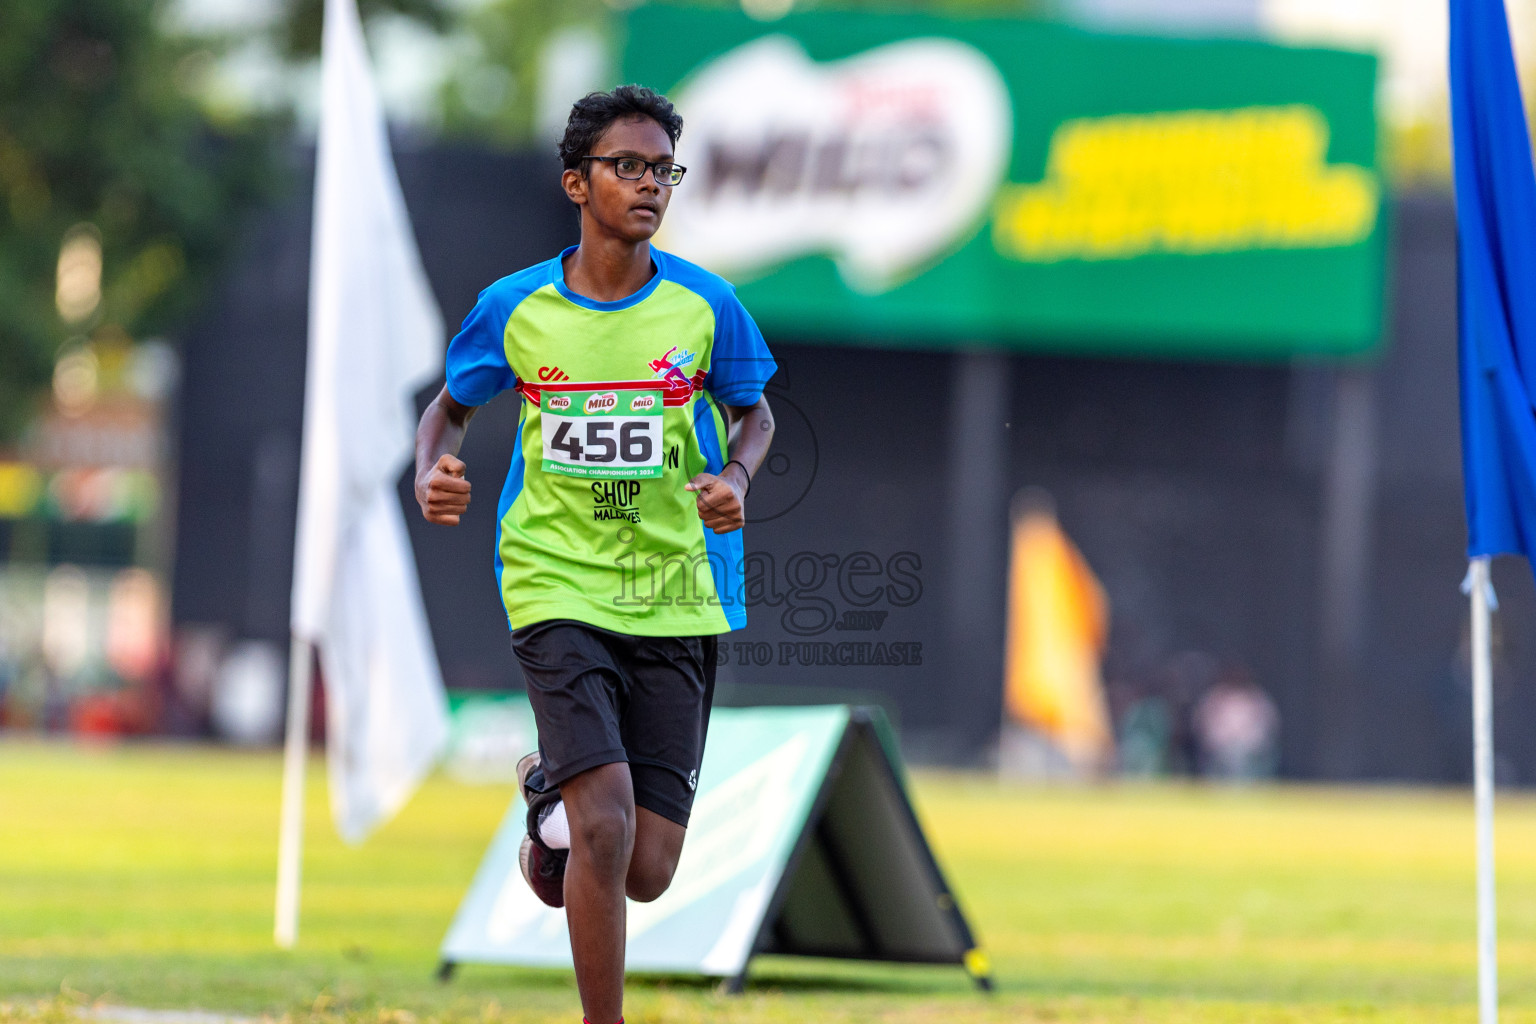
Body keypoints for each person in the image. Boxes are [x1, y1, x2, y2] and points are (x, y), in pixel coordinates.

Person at [412, 84, 776, 1024]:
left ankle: (545, 790)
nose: (650, 185)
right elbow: (450, 407)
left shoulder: (706, 305)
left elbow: (755, 412)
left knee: (647, 870)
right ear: (578, 183)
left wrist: (735, 476)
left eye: (664, 170)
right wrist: (430, 471)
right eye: (629, 167)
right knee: (603, 822)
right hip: (554, 581)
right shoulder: (515, 307)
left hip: (675, 589)